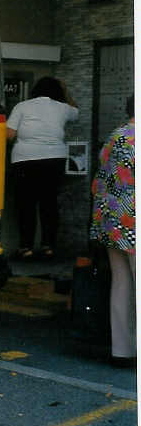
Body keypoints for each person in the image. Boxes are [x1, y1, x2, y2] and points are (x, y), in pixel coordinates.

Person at [6, 77, 79, 259]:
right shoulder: (63, 108)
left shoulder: (22, 106)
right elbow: (76, 112)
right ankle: (48, 246)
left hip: (25, 160)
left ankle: (26, 247)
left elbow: (9, 135)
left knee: (26, 204)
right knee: (49, 203)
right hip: (54, 160)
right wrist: (65, 90)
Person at [90, 95, 135, 367]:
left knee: (121, 283)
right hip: (133, 219)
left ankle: (122, 350)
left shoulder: (114, 136)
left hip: (111, 220)